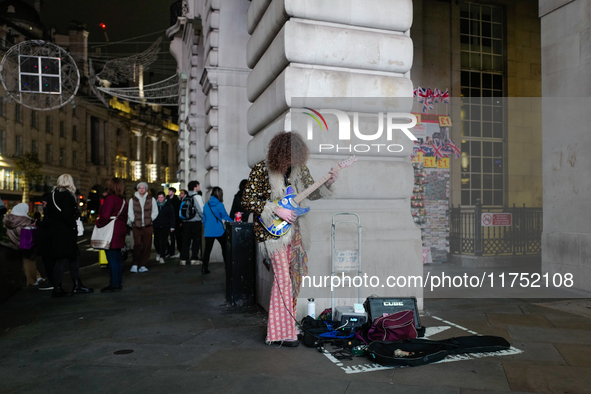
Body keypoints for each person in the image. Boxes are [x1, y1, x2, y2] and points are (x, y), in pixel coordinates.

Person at [242, 131, 338, 346]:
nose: (294, 161)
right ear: (281, 153)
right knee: (283, 279)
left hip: (295, 232)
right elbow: (248, 200)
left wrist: (329, 182)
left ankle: (287, 327)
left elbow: (312, 193)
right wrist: (277, 210)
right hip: (273, 234)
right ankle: (279, 333)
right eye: (290, 156)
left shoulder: (299, 170)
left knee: (295, 277)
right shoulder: (261, 169)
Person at [44, 174, 93, 297]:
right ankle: (75, 286)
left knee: (63, 259)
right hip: (66, 232)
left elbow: (49, 216)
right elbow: (68, 215)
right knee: (70, 258)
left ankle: (58, 287)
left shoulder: (52, 195)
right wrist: (74, 225)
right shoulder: (68, 196)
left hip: (55, 231)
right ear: (70, 182)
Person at [96, 178, 128, 293]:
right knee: (118, 257)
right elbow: (125, 217)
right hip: (120, 229)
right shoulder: (123, 200)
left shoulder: (110, 199)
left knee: (112, 258)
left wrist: (98, 223)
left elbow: (105, 216)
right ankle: (118, 282)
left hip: (111, 231)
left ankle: (114, 284)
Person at [3, 203, 43, 286]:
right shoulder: (24, 222)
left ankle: (37, 276)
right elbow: (25, 238)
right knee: (29, 261)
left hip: (13, 245)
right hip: (25, 246)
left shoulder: (8, 220)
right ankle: (31, 281)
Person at [127, 182, 158, 273]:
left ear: (146, 189)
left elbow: (155, 211)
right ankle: (135, 263)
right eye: (140, 187)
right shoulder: (132, 200)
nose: (141, 189)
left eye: (143, 187)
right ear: (137, 189)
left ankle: (143, 265)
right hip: (137, 226)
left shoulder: (151, 199)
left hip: (148, 226)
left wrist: (150, 219)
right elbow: (130, 212)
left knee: (147, 246)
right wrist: (133, 220)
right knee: (137, 245)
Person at [202, 187, 233, 274]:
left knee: (207, 250)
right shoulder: (219, 205)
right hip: (219, 231)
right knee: (225, 248)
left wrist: (206, 228)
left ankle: (204, 268)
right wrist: (234, 221)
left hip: (208, 231)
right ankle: (227, 267)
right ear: (220, 194)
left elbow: (204, 219)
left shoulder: (206, 205)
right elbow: (225, 216)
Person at [180, 181, 204, 266]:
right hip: (195, 222)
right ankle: (194, 258)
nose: (199, 187)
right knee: (195, 240)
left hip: (186, 222)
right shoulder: (197, 197)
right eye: (198, 185)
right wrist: (203, 219)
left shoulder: (186, 197)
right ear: (195, 187)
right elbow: (201, 210)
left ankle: (183, 259)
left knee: (186, 241)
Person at [35, 193, 55, 290]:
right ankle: (53, 280)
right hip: (50, 241)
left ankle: (52, 281)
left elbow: (48, 223)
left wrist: (38, 223)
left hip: (48, 242)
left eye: (43, 203)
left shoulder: (49, 210)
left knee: (49, 262)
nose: (43, 205)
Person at [153, 191, 175, 264]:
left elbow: (172, 216)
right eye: (159, 197)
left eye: (162, 197)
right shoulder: (154, 205)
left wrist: (172, 226)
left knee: (164, 241)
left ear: (164, 197)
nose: (160, 199)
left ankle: (162, 256)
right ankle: (158, 252)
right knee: (156, 241)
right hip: (156, 225)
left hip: (165, 226)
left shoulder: (168, 205)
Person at [166, 187, 181, 257]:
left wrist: (179, 221)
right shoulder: (167, 200)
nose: (168, 192)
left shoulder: (176, 200)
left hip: (176, 222)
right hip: (168, 221)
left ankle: (175, 251)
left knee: (175, 237)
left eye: (170, 191)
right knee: (168, 238)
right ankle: (170, 251)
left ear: (173, 192)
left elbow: (178, 212)